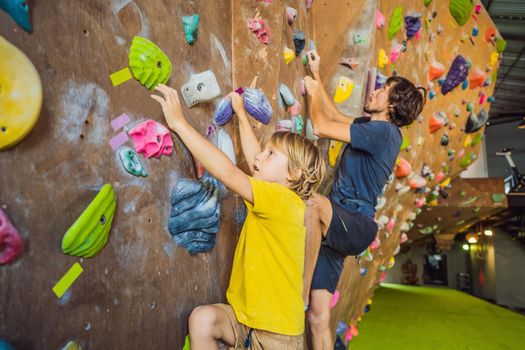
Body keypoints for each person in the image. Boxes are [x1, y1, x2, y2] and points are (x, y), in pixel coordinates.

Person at [151, 85, 325, 349]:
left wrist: (180, 124)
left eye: (271, 154)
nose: (259, 158)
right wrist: (242, 115)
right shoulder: (277, 196)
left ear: (294, 175)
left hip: (278, 336)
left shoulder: (284, 201)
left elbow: (228, 173)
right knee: (203, 319)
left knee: (204, 319)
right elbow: (255, 157)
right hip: (245, 319)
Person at [302, 51, 426, 349]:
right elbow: (331, 115)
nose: (376, 90)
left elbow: (319, 126)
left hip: (352, 221)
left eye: (384, 90)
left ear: (393, 104)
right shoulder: (371, 127)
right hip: (337, 224)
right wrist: (316, 75)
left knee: (312, 203)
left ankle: (299, 292)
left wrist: (312, 87)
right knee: (318, 316)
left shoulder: (384, 133)